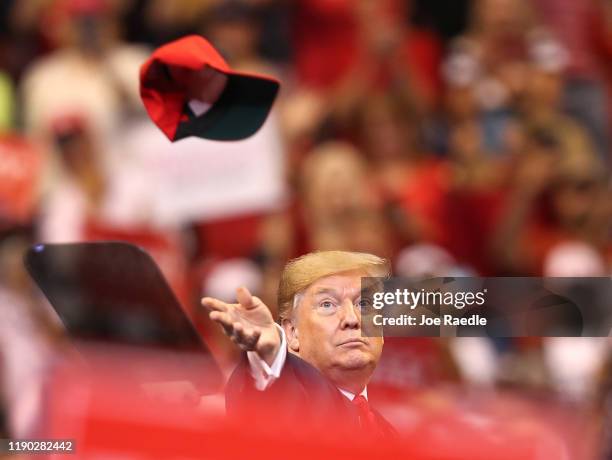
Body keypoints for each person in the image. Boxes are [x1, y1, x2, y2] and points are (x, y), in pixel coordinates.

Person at [201, 250, 396, 439]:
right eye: (327, 304)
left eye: (364, 304)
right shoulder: (290, 396)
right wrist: (269, 354)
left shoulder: (388, 433)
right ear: (292, 332)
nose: (352, 319)